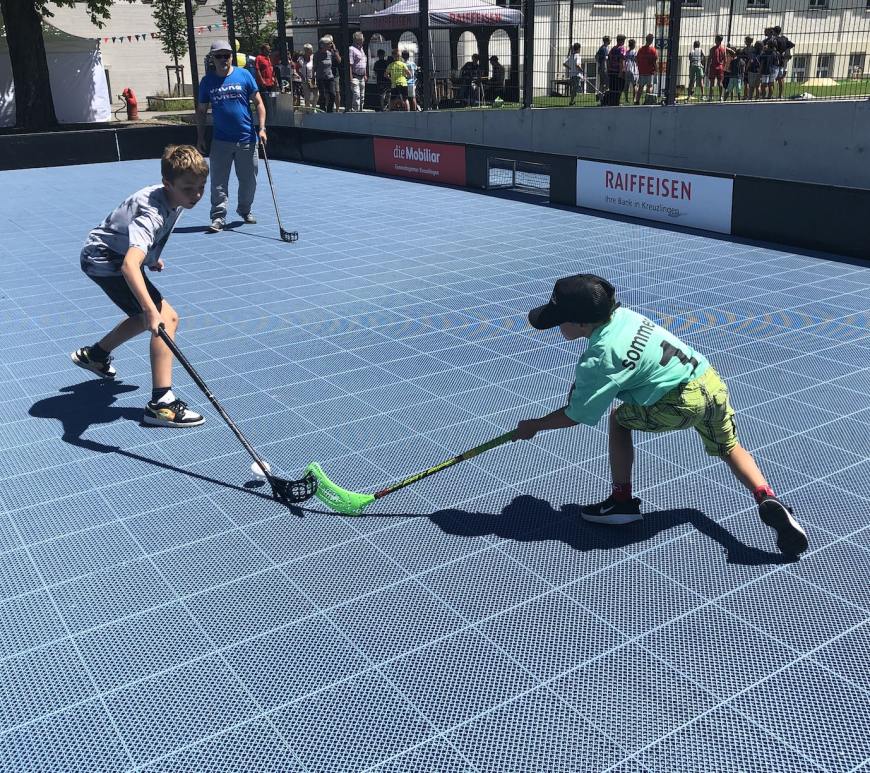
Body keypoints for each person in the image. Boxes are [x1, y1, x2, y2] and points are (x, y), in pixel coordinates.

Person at [513, 274, 809, 557]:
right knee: (730, 447)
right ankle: (765, 495)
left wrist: (535, 426)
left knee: (619, 419)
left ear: (580, 322)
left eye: (559, 321)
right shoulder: (627, 317)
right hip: (707, 380)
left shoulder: (599, 357)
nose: (556, 327)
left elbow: (575, 415)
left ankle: (621, 503)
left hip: (679, 403)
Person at [72, 145, 209, 428]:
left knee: (143, 316)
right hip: (105, 260)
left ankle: (95, 356)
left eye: (200, 187)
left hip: (112, 253)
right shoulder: (153, 211)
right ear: (167, 183)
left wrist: (151, 258)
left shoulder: (174, 197)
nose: (196, 195)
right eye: (189, 189)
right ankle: (161, 404)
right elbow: (128, 266)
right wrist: (150, 310)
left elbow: (145, 240)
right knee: (165, 317)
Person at [196, 39, 266, 233]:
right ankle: (218, 216)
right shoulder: (207, 81)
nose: (223, 59)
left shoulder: (244, 75)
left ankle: (245, 209)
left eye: (226, 55)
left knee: (249, 180)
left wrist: (262, 128)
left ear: (231, 57)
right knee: (218, 181)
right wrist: (200, 137)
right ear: (212, 58)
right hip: (221, 140)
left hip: (247, 138)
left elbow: (259, 103)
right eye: (219, 56)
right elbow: (201, 111)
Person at [314, 36, 341, 113]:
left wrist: (335, 50)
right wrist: (313, 77)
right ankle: (322, 109)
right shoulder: (317, 54)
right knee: (322, 95)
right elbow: (314, 66)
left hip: (330, 76)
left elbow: (339, 61)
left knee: (332, 94)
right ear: (323, 45)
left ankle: (330, 110)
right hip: (321, 77)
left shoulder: (330, 53)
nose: (331, 45)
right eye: (329, 44)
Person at [604, 34, 627, 106]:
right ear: (622, 41)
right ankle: (616, 102)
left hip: (611, 71)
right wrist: (621, 72)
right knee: (619, 88)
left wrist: (608, 69)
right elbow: (621, 61)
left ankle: (611, 102)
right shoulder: (622, 49)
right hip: (618, 71)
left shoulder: (613, 49)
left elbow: (608, 60)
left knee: (612, 88)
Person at [349, 32, 368, 112]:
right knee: (356, 95)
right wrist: (351, 78)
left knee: (362, 96)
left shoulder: (362, 49)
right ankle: (355, 111)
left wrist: (365, 74)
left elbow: (363, 62)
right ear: (357, 39)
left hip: (362, 76)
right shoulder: (352, 49)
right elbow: (350, 64)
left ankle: (361, 110)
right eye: (362, 38)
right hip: (355, 76)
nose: (363, 40)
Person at [635, 34, 657, 104]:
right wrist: (656, 70)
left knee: (640, 87)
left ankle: (637, 101)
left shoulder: (641, 49)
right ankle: (647, 101)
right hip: (650, 72)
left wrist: (640, 67)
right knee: (649, 87)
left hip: (642, 71)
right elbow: (655, 61)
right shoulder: (653, 50)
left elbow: (637, 59)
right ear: (651, 40)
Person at [707, 35, 728, 101]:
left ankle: (710, 96)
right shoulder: (723, 49)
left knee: (712, 82)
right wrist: (724, 67)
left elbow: (709, 59)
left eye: (715, 39)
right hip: (720, 67)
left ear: (717, 40)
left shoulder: (712, 49)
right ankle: (720, 97)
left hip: (713, 67)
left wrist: (707, 68)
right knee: (720, 83)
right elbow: (725, 60)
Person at [298, 44, 318, 108]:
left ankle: (314, 107)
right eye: (309, 51)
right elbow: (297, 69)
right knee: (307, 96)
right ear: (305, 51)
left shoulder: (313, 57)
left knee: (316, 94)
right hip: (305, 80)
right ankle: (308, 109)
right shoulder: (300, 59)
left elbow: (316, 67)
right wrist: (302, 76)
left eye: (311, 50)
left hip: (313, 79)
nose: (311, 52)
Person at [623, 39, 638, 104]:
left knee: (626, 85)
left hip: (627, 69)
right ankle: (634, 99)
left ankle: (626, 99)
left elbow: (624, 60)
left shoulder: (627, 52)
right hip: (633, 70)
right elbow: (637, 61)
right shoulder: (635, 52)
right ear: (634, 44)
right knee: (634, 85)